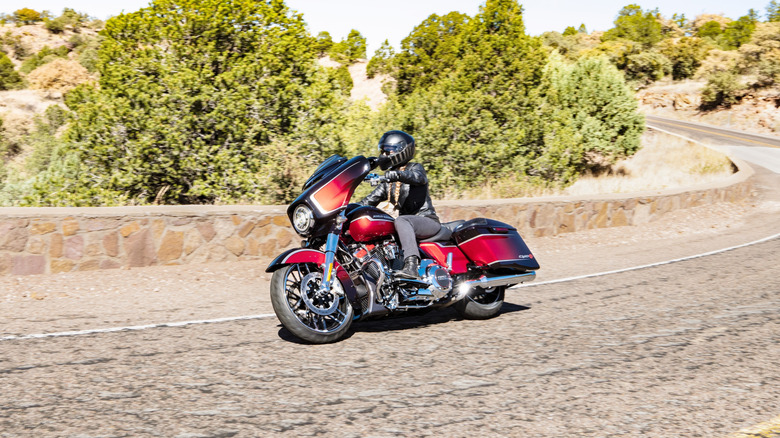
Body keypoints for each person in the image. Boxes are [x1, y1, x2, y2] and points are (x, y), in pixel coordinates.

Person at [359, 130, 440, 280]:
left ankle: (412, 267)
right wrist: (348, 210)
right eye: (382, 151)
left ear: (401, 151)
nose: (383, 155)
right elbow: (369, 200)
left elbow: (418, 178)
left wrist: (398, 175)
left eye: (387, 151)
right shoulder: (388, 183)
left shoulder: (415, 168)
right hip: (409, 224)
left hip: (427, 221)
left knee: (401, 220)